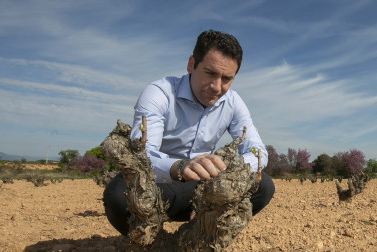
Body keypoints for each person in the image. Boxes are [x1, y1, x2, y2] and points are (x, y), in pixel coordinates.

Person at [103, 30, 275, 237]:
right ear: (191, 64)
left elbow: (257, 153)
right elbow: (142, 156)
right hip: (158, 185)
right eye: (210, 73)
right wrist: (180, 167)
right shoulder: (160, 93)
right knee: (118, 195)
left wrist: (227, 171)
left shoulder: (233, 103)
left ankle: (199, 243)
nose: (217, 87)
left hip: (205, 188)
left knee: (262, 185)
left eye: (227, 79)